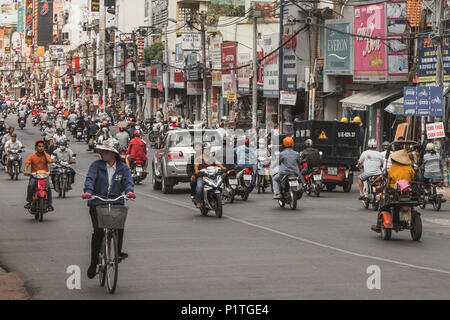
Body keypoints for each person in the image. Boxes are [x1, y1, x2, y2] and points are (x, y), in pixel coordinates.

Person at [81, 138, 135, 279]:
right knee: (98, 232)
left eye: (108, 151)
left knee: (119, 226)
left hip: (116, 200)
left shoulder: (123, 168)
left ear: (115, 154)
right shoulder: (96, 165)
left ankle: (117, 253)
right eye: (104, 151)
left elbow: (128, 181)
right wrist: (88, 191)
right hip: (97, 201)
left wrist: (129, 191)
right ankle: (93, 264)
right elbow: (90, 179)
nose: (105, 154)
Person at [24, 139, 55, 211]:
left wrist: (44, 152)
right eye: (39, 146)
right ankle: (29, 202)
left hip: (44, 177)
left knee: (48, 187)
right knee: (31, 186)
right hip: (34, 176)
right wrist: (25, 170)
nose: (41, 148)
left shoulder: (46, 156)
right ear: (36, 147)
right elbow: (27, 164)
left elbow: (50, 161)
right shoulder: (32, 156)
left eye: (42, 146)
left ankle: (49, 204)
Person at [193, 142, 227, 208]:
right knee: (199, 186)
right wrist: (197, 171)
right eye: (206, 149)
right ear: (203, 150)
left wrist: (222, 167)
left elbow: (217, 163)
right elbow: (196, 167)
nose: (207, 151)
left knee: (220, 184)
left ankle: (221, 198)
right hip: (202, 177)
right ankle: (199, 201)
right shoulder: (198, 158)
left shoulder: (212, 158)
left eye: (208, 149)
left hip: (212, 176)